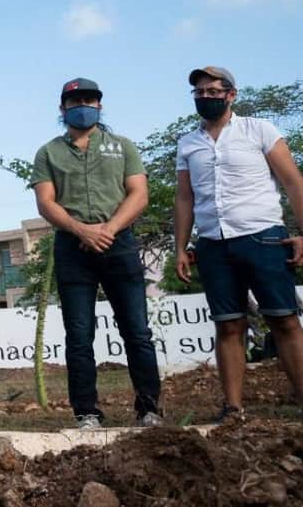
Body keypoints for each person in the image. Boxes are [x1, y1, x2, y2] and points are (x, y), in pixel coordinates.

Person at [175, 66, 303, 421]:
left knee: (285, 321)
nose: (206, 98)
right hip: (213, 244)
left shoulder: (259, 130)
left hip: (263, 237)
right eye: (200, 92)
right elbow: (184, 198)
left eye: (214, 92)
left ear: (231, 95)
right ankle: (233, 409)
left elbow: (293, 182)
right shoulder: (188, 143)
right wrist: (181, 247)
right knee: (228, 325)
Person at [32, 77, 160, 430]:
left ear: (100, 105)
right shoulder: (48, 152)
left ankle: (149, 408)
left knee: (137, 330)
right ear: (63, 109)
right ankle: (86, 412)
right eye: (75, 102)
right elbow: (45, 201)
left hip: (119, 244)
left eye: (89, 100)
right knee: (79, 334)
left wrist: (110, 228)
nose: (82, 107)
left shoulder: (123, 147)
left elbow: (138, 194)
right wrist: (82, 230)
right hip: (73, 247)